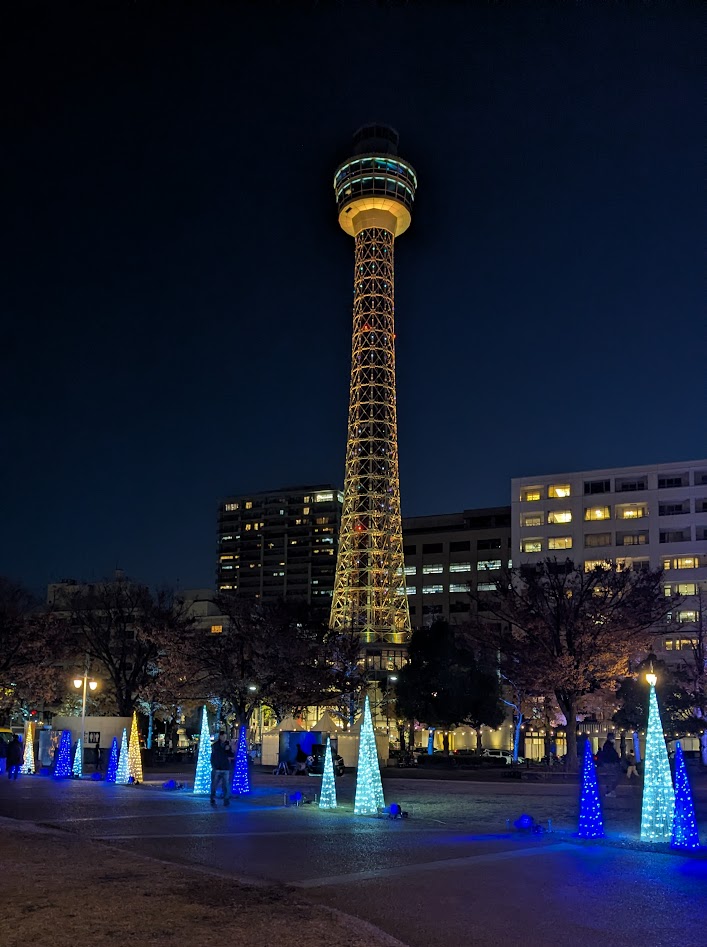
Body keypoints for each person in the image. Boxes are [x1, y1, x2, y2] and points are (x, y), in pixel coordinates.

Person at [210, 731, 234, 807]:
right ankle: (212, 798)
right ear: (220, 737)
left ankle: (226, 799)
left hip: (225, 768)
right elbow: (215, 755)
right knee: (214, 784)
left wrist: (229, 749)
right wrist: (214, 766)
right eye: (223, 736)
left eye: (225, 737)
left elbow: (231, 755)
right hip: (217, 768)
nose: (224, 738)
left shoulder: (228, 745)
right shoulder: (215, 745)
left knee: (226, 785)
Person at [597, 733, 621, 797]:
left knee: (612, 777)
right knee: (612, 777)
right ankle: (609, 791)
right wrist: (615, 760)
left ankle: (610, 790)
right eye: (613, 737)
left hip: (610, 763)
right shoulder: (608, 746)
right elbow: (611, 755)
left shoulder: (608, 745)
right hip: (610, 763)